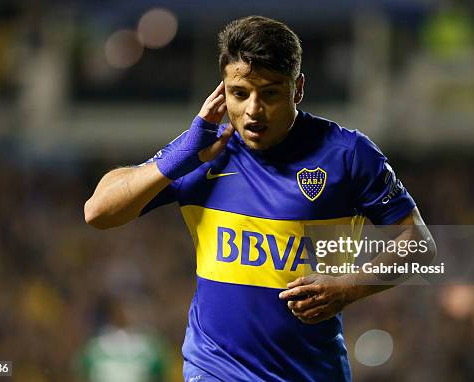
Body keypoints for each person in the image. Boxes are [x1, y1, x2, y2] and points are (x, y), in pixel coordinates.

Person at [85, 15, 435, 382]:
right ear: (222, 90)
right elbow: (98, 212)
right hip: (215, 370)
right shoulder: (202, 152)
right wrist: (181, 155)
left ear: (297, 89)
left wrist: (349, 288)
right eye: (239, 93)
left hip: (312, 372)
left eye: (270, 93)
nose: (253, 109)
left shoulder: (347, 154)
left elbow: (420, 245)